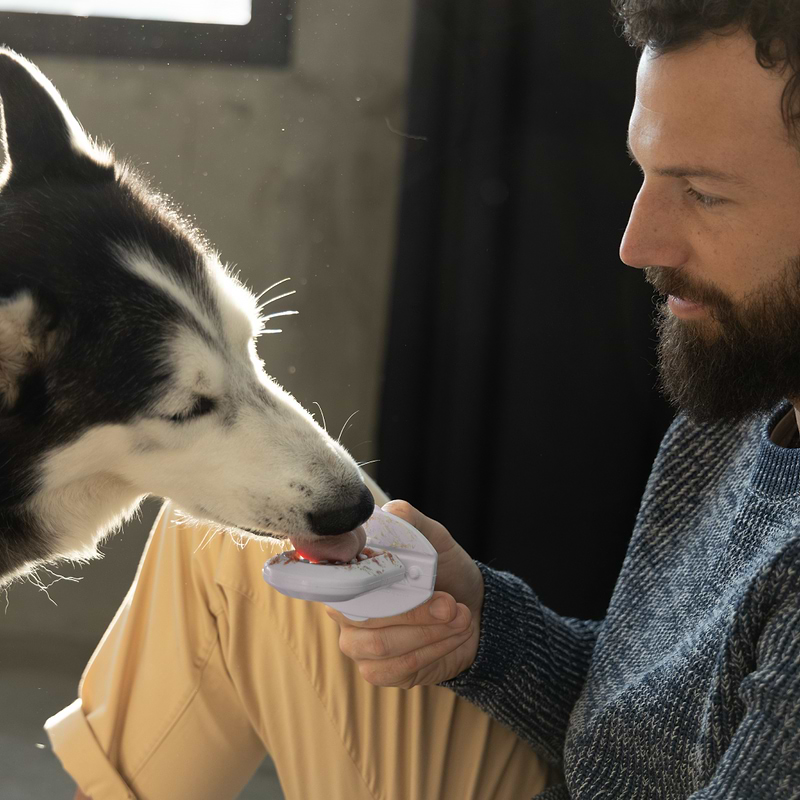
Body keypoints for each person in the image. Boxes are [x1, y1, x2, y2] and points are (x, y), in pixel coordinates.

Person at [48, 1, 800, 797]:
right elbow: (651, 726)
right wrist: (478, 624)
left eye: (705, 196)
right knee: (232, 538)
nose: (637, 244)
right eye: (645, 175)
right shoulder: (748, 387)